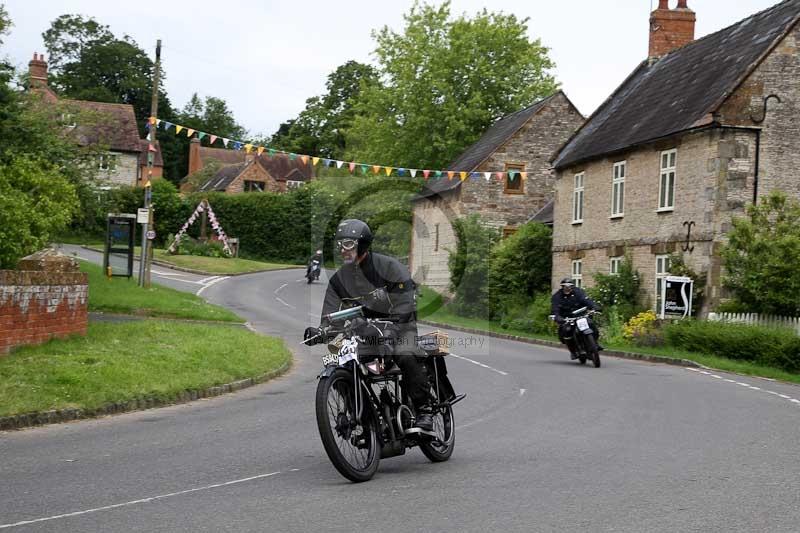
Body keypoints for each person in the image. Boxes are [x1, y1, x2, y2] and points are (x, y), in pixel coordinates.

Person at [309, 219, 433, 431]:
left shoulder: (388, 267)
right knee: (344, 363)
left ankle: (424, 411)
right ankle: (367, 421)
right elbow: (330, 314)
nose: (342, 249)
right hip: (367, 334)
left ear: (362, 244)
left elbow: (406, 300)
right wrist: (322, 330)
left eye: (348, 244)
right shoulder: (339, 280)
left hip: (400, 326)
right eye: (339, 244)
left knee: (405, 354)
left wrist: (394, 326)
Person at [551, 277, 602, 358]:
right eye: (565, 286)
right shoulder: (557, 296)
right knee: (567, 330)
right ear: (562, 286)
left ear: (572, 286)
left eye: (570, 286)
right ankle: (573, 351)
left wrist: (594, 307)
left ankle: (595, 343)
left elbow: (586, 300)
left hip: (580, 315)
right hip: (567, 318)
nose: (568, 288)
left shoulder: (578, 292)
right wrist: (558, 317)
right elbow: (555, 309)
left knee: (590, 323)